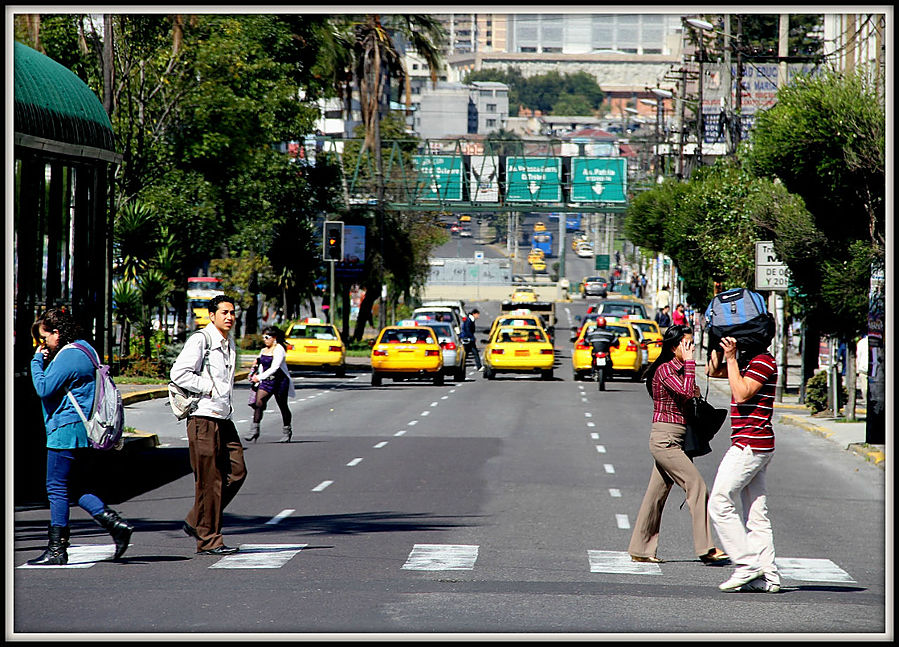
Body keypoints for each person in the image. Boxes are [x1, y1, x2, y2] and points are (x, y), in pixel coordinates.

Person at [28, 308, 134, 565]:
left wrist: (36, 361)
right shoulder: (86, 348)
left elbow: (43, 388)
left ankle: (57, 549)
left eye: (45, 337)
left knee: (56, 487)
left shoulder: (69, 355)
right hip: (83, 428)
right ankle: (115, 524)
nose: (44, 343)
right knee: (75, 487)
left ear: (57, 332)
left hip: (65, 429)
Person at [627, 324, 728, 565]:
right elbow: (685, 392)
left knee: (656, 495)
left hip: (676, 438)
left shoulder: (681, 370)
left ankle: (640, 549)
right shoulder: (665, 370)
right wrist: (691, 364)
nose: (691, 348)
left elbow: (691, 394)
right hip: (665, 440)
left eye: (692, 344)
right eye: (687, 344)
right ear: (674, 347)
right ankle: (706, 547)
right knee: (697, 485)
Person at [170, 294, 247, 556]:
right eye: (224, 312)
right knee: (209, 481)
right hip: (203, 417)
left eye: (232, 312)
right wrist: (208, 387)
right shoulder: (201, 340)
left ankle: (196, 519)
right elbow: (179, 373)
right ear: (211, 316)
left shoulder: (229, 343)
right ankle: (209, 539)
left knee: (237, 471)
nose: (229, 317)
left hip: (223, 417)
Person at [706, 335, 780, 593]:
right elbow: (712, 371)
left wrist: (731, 358)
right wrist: (716, 343)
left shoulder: (763, 361)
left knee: (719, 501)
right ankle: (768, 577)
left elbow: (741, 393)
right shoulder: (748, 361)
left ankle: (747, 564)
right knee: (757, 515)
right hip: (755, 443)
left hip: (750, 443)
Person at [246, 326, 295, 443]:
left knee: (282, 406)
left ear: (274, 338)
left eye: (267, 337)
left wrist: (259, 377)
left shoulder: (279, 349)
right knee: (259, 403)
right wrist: (255, 365)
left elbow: (275, 367)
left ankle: (287, 431)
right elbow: (260, 362)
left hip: (280, 381)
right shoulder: (264, 350)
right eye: (263, 337)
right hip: (267, 381)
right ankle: (254, 430)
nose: (265, 339)